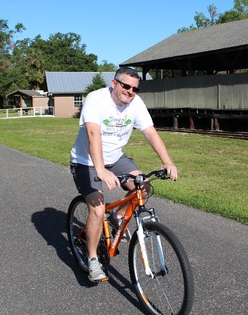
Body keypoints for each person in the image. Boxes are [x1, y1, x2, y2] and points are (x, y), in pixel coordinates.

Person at [70, 67, 178, 282]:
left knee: (143, 186)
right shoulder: (96, 99)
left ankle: (117, 216)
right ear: (114, 84)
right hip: (87, 162)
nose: (130, 91)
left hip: (116, 158)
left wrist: (167, 161)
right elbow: (93, 133)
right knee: (98, 208)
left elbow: (150, 133)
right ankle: (92, 259)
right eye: (126, 86)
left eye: (134, 89)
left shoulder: (136, 103)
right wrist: (100, 170)